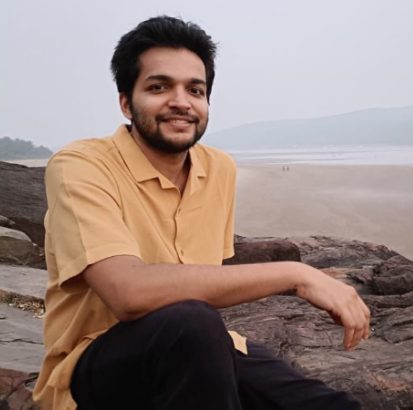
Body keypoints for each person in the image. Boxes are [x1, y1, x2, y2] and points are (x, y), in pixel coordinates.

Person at [33, 16, 370, 410]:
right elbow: (128, 293)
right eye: (159, 87)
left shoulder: (219, 169)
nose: (181, 102)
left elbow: (205, 282)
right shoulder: (80, 166)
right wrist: (296, 274)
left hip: (200, 348)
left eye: (195, 90)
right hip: (96, 366)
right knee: (192, 323)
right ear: (126, 103)